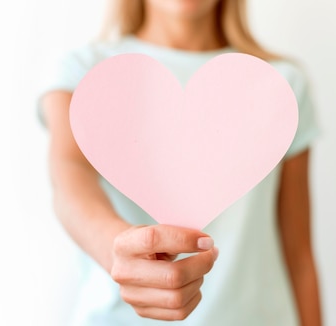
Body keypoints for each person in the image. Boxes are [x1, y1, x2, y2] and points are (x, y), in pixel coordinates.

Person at [37, 0, 323, 325]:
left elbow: (299, 254)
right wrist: (115, 247)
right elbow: (69, 179)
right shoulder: (83, 71)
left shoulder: (283, 83)